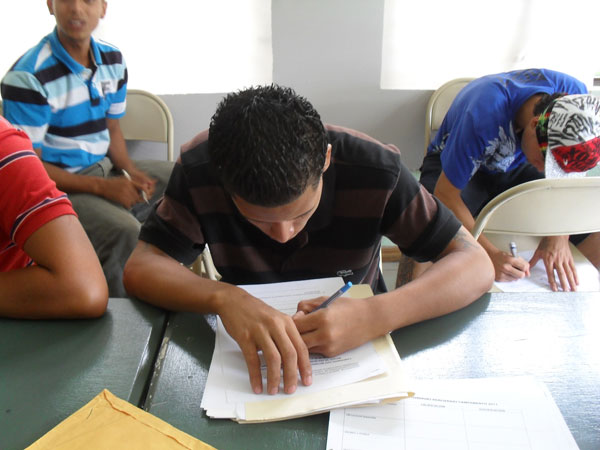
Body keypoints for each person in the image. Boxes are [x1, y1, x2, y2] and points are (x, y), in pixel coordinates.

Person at [123, 84, 494, 396]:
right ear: (224, 183)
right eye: (260, 221)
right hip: (242, 360)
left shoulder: (375, 169)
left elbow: (474, 263)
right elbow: (143, 265)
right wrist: (224, 297)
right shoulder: (200, 167)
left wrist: (377, 315)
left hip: (358, 351)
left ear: (326, 160)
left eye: (300, 214)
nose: (285, 234)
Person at [0, 0, 173, 297]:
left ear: (103, 8)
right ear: (50, 5)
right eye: (66, 0)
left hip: (106, 170)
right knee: (124, 231)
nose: (77, 9)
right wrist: (103, 189)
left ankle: (171, 285)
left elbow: (113, 129)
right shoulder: (28, 76)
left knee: (183, 179)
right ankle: (122, 325)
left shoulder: (112, 59)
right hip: (58, 189)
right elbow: (30, 170)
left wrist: (131, 171)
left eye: (89, 1)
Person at [416, 68, 600, 292]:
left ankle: (573, 304)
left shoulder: (575, 98)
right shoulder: (483, 113)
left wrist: (559, 235)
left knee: (593, 225)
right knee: (423, 216)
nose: (546, 170)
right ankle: (408, 309)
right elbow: (446, 194)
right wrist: (487, 254)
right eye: (547, 161)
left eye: (555, 168)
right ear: (534, 125)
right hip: (462, 164)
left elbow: (569, 181)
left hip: (519, 161)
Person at [0, 116, 108, 318]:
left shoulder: (4, 147)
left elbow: (83, 288)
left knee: (124, 230)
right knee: (123, 229)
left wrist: (103, 185)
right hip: (77, 183)